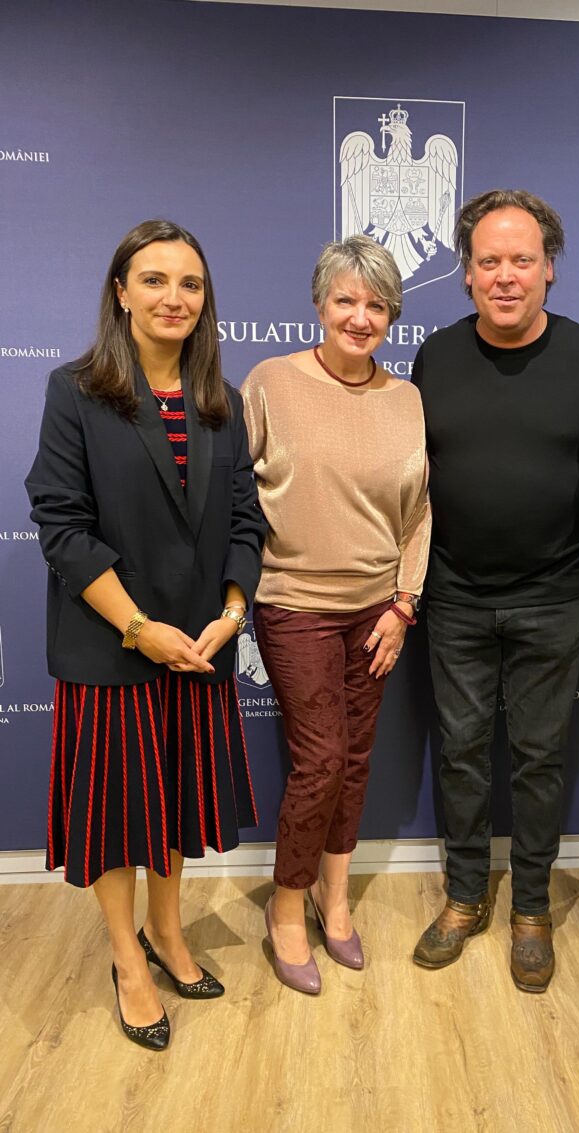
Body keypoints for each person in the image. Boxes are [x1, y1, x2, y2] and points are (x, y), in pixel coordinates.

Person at [25, 219, 266, 1050]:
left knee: (174, 803)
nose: (174, 297)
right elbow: (62, 527)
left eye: (190, 283)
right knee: (115, 815)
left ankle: (167, 929)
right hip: (113, 646)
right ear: (121, 292)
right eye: (155, 280)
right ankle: (127, 956)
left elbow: (246, 520)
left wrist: (230, 615)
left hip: (197, 648)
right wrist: (137, 627)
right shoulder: (76, 391)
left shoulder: (221, 401)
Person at [411, 190, 579, 991]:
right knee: (462, 754)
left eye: (523, 260)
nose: (506, 276)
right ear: (467, 274)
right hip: (454, 595)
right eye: (489, 261)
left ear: (550, 269)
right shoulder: (435, 357)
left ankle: (532, 907)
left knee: (540, 759)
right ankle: (465, 895)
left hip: (553, 594)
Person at [242, 235, 430, 995]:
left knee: (354, 759)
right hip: (293, 604)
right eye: (346, 300)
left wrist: (403, 604)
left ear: (392, 316)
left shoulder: (407, 398)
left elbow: (419, 513)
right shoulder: (270, 382)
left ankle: (335, 895)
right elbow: (235, 498)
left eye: (376, 304)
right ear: (320, 304)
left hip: (378, 612)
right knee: (320, 760)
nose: (360, 316)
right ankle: (287, 907)